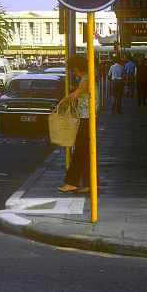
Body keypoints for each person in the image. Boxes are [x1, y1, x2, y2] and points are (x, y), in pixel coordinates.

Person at [59, 56, 93, 194]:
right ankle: (90, 183)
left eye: (73, 70)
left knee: (79, 152)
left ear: (77, 69)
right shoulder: (86, 79)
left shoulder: (86, 80)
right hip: (87, 118)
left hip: (86, 119)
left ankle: (71, 182)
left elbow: (76, 95)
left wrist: (63, 102)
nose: (73, 73)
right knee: (86, 153)